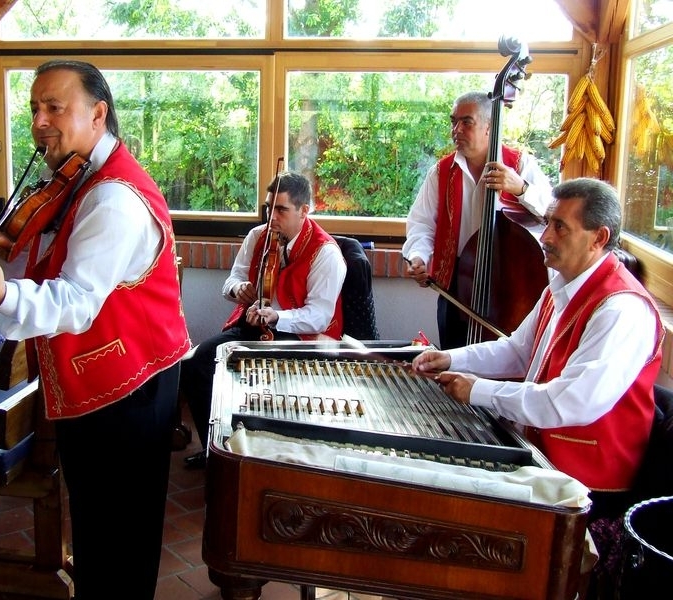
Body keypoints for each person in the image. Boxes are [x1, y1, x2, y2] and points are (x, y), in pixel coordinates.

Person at [0, 60, 191, 600]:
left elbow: (75, 301)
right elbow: (28, 262)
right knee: (103, 524)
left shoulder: (112, 197)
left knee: (118, 530)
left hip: (127, 387)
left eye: (55, 107)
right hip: (109, 377)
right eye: (35, 108)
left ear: (98, 114)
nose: (39, 121)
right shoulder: (79, 179)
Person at [410, 177, 664, 595]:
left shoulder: (621, 310)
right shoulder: (561, 286)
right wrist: (452, 358)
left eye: (560, 227)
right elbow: (517, 350)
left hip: (584, 488)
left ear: (599, 238)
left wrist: (479, 391)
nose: (545, 237)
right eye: (547, 223)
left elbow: (572, 403)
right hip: (543, 458)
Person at [179, 171, 347, 468]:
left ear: (304, 211)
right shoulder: (258, 236)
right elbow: (232, 280)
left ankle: (265, 461)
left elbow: (319, 317)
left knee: (265, 378)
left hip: (300, 337)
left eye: (281, 210)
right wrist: (239, 289)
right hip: (254, 325)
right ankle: (216, 453)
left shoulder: (326, 253)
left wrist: (277, 316)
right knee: (197, 363)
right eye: (269, 208)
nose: (272, 218)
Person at [402, 90, 554, 350]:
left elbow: (552, 213)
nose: (457, 130)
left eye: (467, 122)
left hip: (512, 285)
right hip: (458, 285)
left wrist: (521, 188)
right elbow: (422, 224)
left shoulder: (520, 165)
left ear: (489, 127)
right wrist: (419, 256)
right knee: (453, 359)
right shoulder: (441, 172)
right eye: (454, 122)